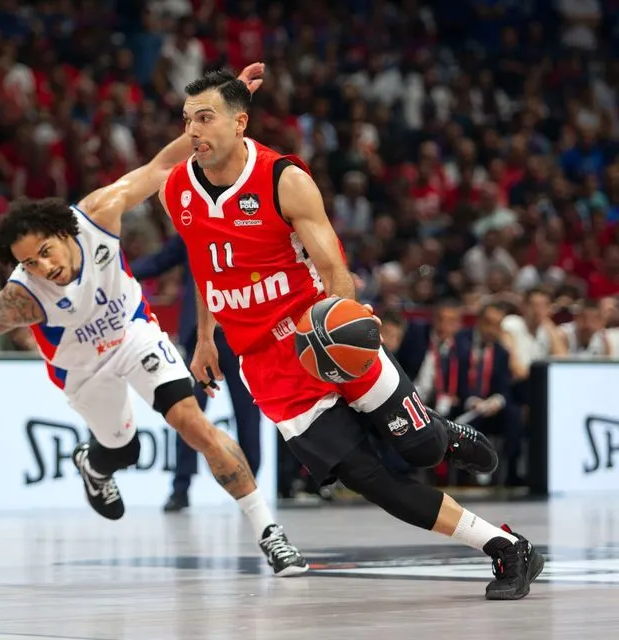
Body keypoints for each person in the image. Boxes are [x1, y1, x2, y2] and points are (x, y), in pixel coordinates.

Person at [160, 69, 544, 600]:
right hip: (268, 367)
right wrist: (206, 338)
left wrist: (347, 315)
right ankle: (507, 547)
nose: (193, 130)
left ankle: (442, 433)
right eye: (187, 120)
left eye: (205, 118)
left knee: (419, 449)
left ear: (240, 123)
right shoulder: (176, 189)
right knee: (372, 480)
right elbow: (205, 266)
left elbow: (333, 266)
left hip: (322, 331)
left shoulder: (282, 178)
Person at [0, 63, 308, 578]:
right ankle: (96, 463)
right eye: (28, 262)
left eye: (44, 252)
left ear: (63, 231)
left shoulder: (99, 214)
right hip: (82, 371)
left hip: (133, 335)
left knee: (193, 424)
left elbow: (162, 163)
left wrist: (222, 107)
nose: (42, 267)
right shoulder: (24, 296)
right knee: (124, 450)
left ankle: (269, 533)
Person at [131, 233, 262, 512]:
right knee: (188, 413)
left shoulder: (248, 227)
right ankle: (181, 488)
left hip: (240, 337)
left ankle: (251, 489)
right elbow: (159, 261)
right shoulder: (192, 227)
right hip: (202, 340)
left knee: (247, 415)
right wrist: (118, 273)